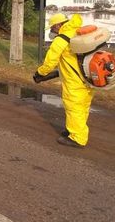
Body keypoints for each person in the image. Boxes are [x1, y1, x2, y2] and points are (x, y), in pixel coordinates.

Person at [34, 13, 94, 148]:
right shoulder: (78, 32)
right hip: (88, 78)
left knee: (74, 108)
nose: (52, 31)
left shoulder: (61, 40)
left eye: (53, 28)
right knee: (83, 106)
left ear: (58, 25)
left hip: (74, 81)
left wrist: (40, 73)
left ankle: (78, 138)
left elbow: (50, 62)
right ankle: (72, 129)